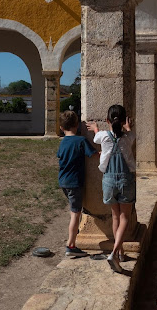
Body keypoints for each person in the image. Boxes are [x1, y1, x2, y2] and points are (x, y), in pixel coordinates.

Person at [86, 104, 136, 273]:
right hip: (125, 180)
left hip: (108, 181)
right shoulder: (129, 137)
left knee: (115, 217)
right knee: (125, 218)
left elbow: (96, 138)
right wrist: (128, 128)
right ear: (124, 121)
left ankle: (120, 251)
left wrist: (95, 129)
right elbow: (130, 136)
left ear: (107, 120)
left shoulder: (102, 136)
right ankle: (115, 252)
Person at [57, 110, 98, 257]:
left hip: (63, 181)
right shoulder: (81, 141)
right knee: (75, 214)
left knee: (74, 210)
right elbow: (94, 154)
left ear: (61, 128)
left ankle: (73, 237)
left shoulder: (62, 143)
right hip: (75, 182)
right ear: (77, 125)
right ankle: (71, 244)